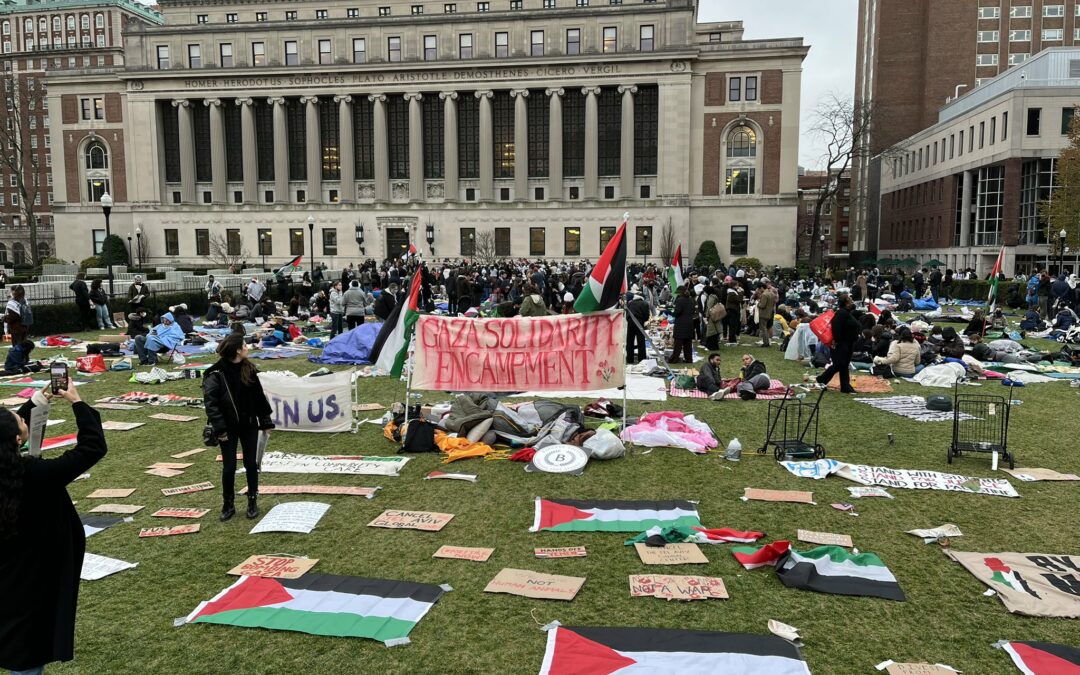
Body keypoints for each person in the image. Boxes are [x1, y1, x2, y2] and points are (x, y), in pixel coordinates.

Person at [0, 381, 105, 675]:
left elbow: (6, 430)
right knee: (27, 654)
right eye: (22, 420)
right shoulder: (35, 475)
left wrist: (36, 401)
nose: (23, 418)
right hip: (32, 580)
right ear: (17, 440)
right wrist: (77, 402)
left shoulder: (23, 470)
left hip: (6, 573)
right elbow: (92, 447)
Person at [203, 334, 275, 521]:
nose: (247, 347)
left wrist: (265, 422)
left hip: (249, 424)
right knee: (229, 467)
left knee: (251, 463)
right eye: (244, 345)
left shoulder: (249, 369)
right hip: (227, 427)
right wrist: (220, 429)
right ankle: (228, 504)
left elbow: (259, 397)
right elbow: (211, 404)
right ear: (237, 350)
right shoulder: (215, 373)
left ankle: (252, 500)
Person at [816, 294, 859, 393]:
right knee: (839, 364)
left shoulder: (846, 313)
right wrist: (837, 341)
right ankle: (822, 379)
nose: (851, 302)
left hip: (848, 343)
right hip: (842, 343)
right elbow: (836, 327)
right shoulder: (841, 313)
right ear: (846, 303)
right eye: (850, 300)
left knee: (843, 365)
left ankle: (845, 385)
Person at [669, 285, 695, 364]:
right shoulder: (691, 300)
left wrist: (671, 313)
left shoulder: (680, 300)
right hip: (689, 323)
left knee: (678, 344)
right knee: (688, 344)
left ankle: (674, 359)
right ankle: (689, 359)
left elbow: (677, 312)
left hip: (681, 323)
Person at [625, 291, 650, 365]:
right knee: (641, 342)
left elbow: (627, 314)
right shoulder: (644, 303)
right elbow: (646, 316)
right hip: (639, 322)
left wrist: (630, 320)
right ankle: (641, 358)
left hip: (630, 322)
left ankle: (629, 359)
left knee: (630, 341)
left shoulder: (630, 303)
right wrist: (643, 321)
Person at [723, 277, 743, 345]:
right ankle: (732, 339)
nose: (738, 286)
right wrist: (740, 292)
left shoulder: (732, 292)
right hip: (733, 311)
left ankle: (732, 338)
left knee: (734, 325)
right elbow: (739, 299)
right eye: (737, 285)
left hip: (733, 310)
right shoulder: (731, 293)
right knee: (733, 325)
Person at [756, 282, 777, 347]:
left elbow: (762, 305)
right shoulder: (772, 294)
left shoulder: (764, 294)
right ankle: (767, 341)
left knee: (763, 328)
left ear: (762, 288)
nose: (759, 290)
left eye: (759, 289)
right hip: (770, 312)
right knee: (768, 327)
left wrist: (757, 304)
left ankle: (766, 343)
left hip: (763, 313)